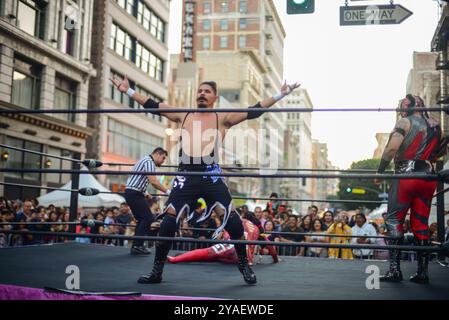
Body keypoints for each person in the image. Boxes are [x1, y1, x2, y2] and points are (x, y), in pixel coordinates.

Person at [111, 75, 299, 284]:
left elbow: (253, 110)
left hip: (211, 174)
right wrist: (127, 91)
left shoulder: (222, 117)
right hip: (187, 174)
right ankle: (157, 271)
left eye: (207, 92)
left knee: (233, 221)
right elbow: (154, 105)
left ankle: (244, 265)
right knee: (169, 222)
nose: (202, 94)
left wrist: (280, 95)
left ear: (214, 97)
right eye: (200, 91)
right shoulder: (184, 115)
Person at [376, 94, 446, 284]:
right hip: (428, 178)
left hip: (405, 177)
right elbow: (441, 151)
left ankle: (394, 271)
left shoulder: (404, 122)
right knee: (420, 224)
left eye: (402, 105)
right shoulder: (436, 124)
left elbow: (391, 148)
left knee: (393, 221)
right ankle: (422, 273)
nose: (401, 109)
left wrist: (380, 171)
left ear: (409, 106)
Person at [167, 218, 278, 265]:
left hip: (232, 249)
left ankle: (175, 259)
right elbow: (270, 246)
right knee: (215, 256)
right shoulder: (257, 230)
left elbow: (225, 235)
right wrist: (276, 259)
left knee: (208, 252)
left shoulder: (237, 222)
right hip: (245, 259)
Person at [124, 147, 169, 255]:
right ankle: (137, 246)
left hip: (133, 192)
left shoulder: (144, 160)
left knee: (142, 219)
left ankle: (137, 246)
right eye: (163, 158)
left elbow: (137, 178)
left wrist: (145, 192)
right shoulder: (149, 162)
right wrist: (168, 191)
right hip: (135, 193)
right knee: (147, 218)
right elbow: (154, 181)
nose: (163, 161)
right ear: (158, 154)